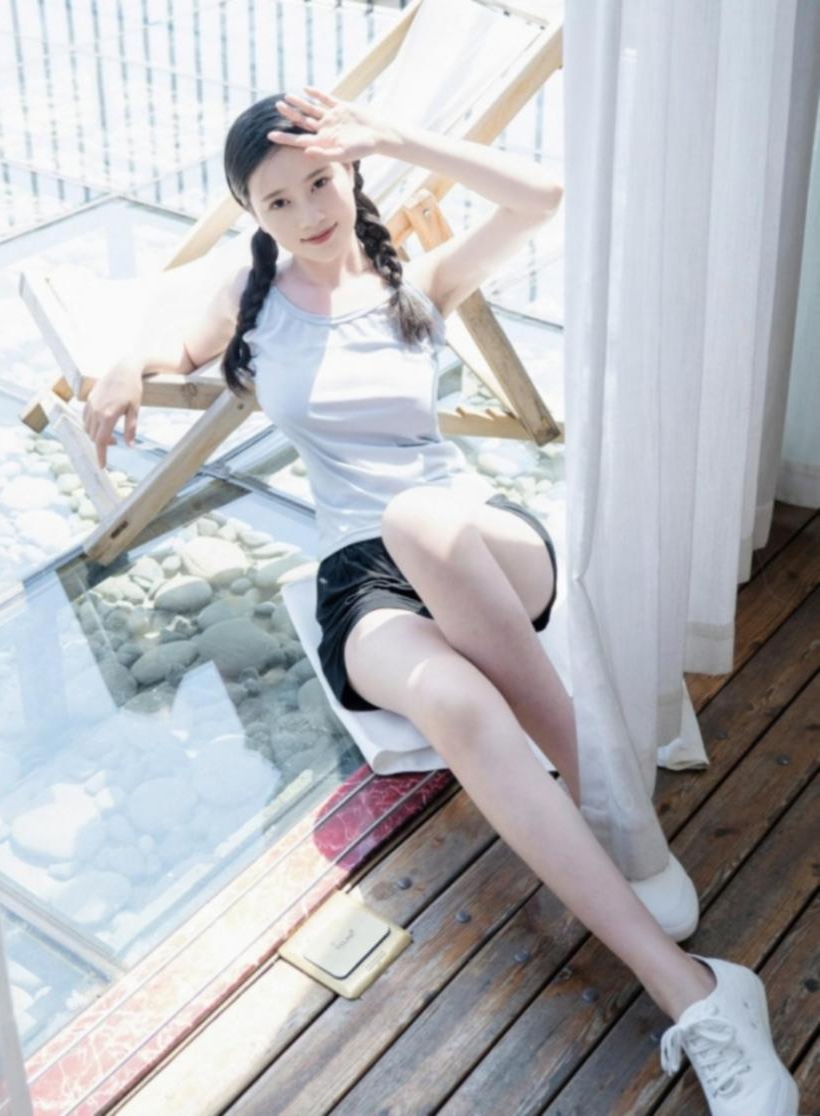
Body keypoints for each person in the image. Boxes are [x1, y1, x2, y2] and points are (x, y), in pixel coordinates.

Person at [82, 86, 799, 1116]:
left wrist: (397, 133)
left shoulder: (414, 281)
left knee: (419, 516)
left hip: (474, 544)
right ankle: (697, 993)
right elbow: (168, 343)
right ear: (253, 214)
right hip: (360, 579)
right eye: (277, 201)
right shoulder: (252, 299)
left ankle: (607, 803)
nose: (307, 213)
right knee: (456, 702)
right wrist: (122, 361)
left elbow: (541, 195)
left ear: (351, 170)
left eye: (320, 182)